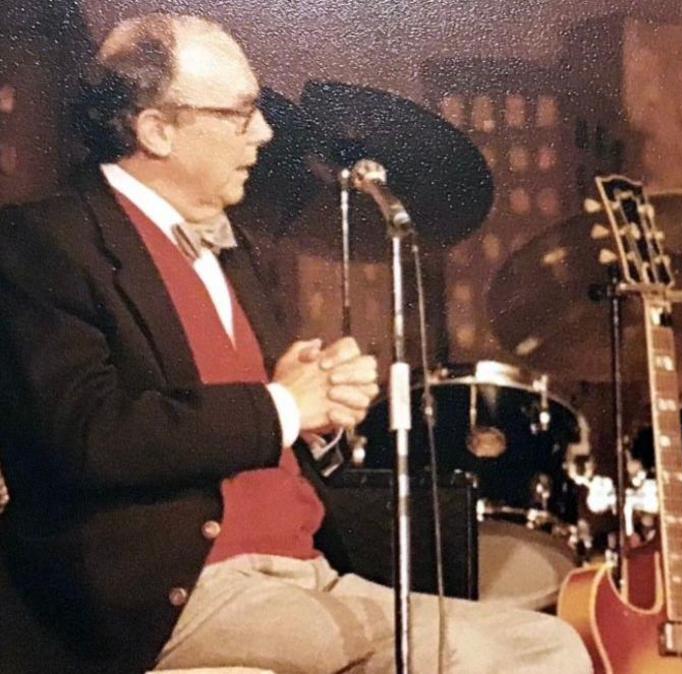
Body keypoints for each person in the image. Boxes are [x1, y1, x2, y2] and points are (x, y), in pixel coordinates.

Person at [0, 13, 589, 674]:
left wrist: (319, 413)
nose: (265, 133)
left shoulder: (229, 248)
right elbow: (86, 434)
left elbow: (258, 415)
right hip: (178, 594)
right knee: (471, 656)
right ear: (156, 129)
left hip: (300, 569)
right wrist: (282, 406)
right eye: (240, 113)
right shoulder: (46, 241)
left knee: (550, 644)